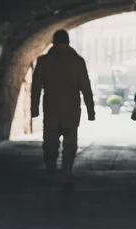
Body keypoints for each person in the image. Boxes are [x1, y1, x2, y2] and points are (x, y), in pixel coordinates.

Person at [31, 29, 95, 191]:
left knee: (50, 143)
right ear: (68, 42)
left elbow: (36, 86)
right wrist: (90, 110)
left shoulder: (44, 61)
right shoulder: (78, 62)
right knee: (70, 144)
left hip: (51, 110)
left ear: (53, 42)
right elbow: (85, 87)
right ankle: (66, 172)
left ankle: (52, 169)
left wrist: (34, 108)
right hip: (71, 111)